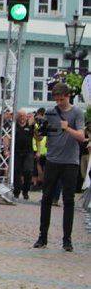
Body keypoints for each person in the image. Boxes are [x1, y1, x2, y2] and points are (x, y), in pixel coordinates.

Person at [34, 82, 84, 252]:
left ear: (67, 96)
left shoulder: (77, 112)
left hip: (70, 162)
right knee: (46, 198)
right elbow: (41, 137)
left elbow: (81, 136)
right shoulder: (50, 112)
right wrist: (39, 131)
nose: (58, 103)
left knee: (68, 200)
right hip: (53, 160)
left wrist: (67, 128)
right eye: (56, 100)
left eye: (61, 99)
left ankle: (67, 240)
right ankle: (42, 237)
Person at [12, 111, 35, 200]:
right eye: (20, 116)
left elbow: (37, 138)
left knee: (28, 171)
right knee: (16, 172)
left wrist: (38, 151)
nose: (22, 117)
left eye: (24, 116)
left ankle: (26, 191)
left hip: (28, 151)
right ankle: (16, 191)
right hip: (16, 151)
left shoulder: (31, 126)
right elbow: (8, 138)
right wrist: (7, 149)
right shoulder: (14, 126)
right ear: (17, 117)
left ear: (26, 117)